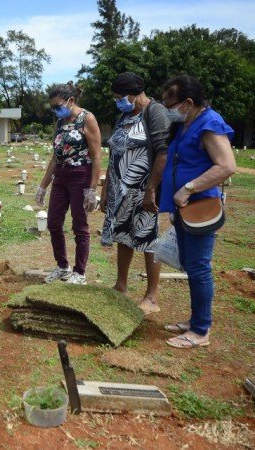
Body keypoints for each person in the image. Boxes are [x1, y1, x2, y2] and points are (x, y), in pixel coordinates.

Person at [159, 75, 236, 349]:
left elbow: (226, 165)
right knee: (191, 267)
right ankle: (195, 320)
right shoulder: (185, 124)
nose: (168, 109)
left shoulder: (210, 123)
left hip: (199, 208)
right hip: (182, 208)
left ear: (188, 102)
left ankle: (201, 331)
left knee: (200, 268)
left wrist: (189, 188)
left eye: (171, 104)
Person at [101, 72, 169, 315]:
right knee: (123, 236)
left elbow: (162, 152)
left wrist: (151, 189)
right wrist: (106, 188)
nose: (118, 101)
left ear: (132, 94)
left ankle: (151, 296)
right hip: (121, 189)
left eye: (120, 97)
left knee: (149, 239)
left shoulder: (155, 112)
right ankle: (121, 285)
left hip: (143, 189)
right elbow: (115, 155)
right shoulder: (124, 116)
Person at [36, 82, 102, 285]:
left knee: (79, 225)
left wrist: (92, 189)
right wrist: (43, 186)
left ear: (71, 101)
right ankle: (63, 266)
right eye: (53, 107)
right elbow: (55, 157)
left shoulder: (87, 119)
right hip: (61, 177)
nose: (56, 110)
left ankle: (79, 272)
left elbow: (97, 155)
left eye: (58, 106)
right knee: (54, 222)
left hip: (80, 176)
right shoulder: (60, 123)